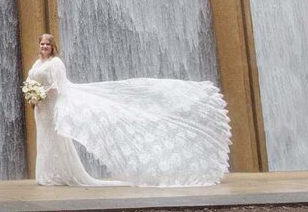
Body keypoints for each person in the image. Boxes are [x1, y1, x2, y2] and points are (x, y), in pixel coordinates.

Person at [26, 33, 230, 186]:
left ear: (53, 47)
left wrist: (41, 93)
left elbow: (59, 85)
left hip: (52, 105)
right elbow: (30, 80)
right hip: (40, 107)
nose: (44, 46)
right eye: (42, 44)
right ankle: (47, 174)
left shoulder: (56, 63)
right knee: (45, 139)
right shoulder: (37, 63)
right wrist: (32, 94)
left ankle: (61, 174)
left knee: (57, 139)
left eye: (47, 44)